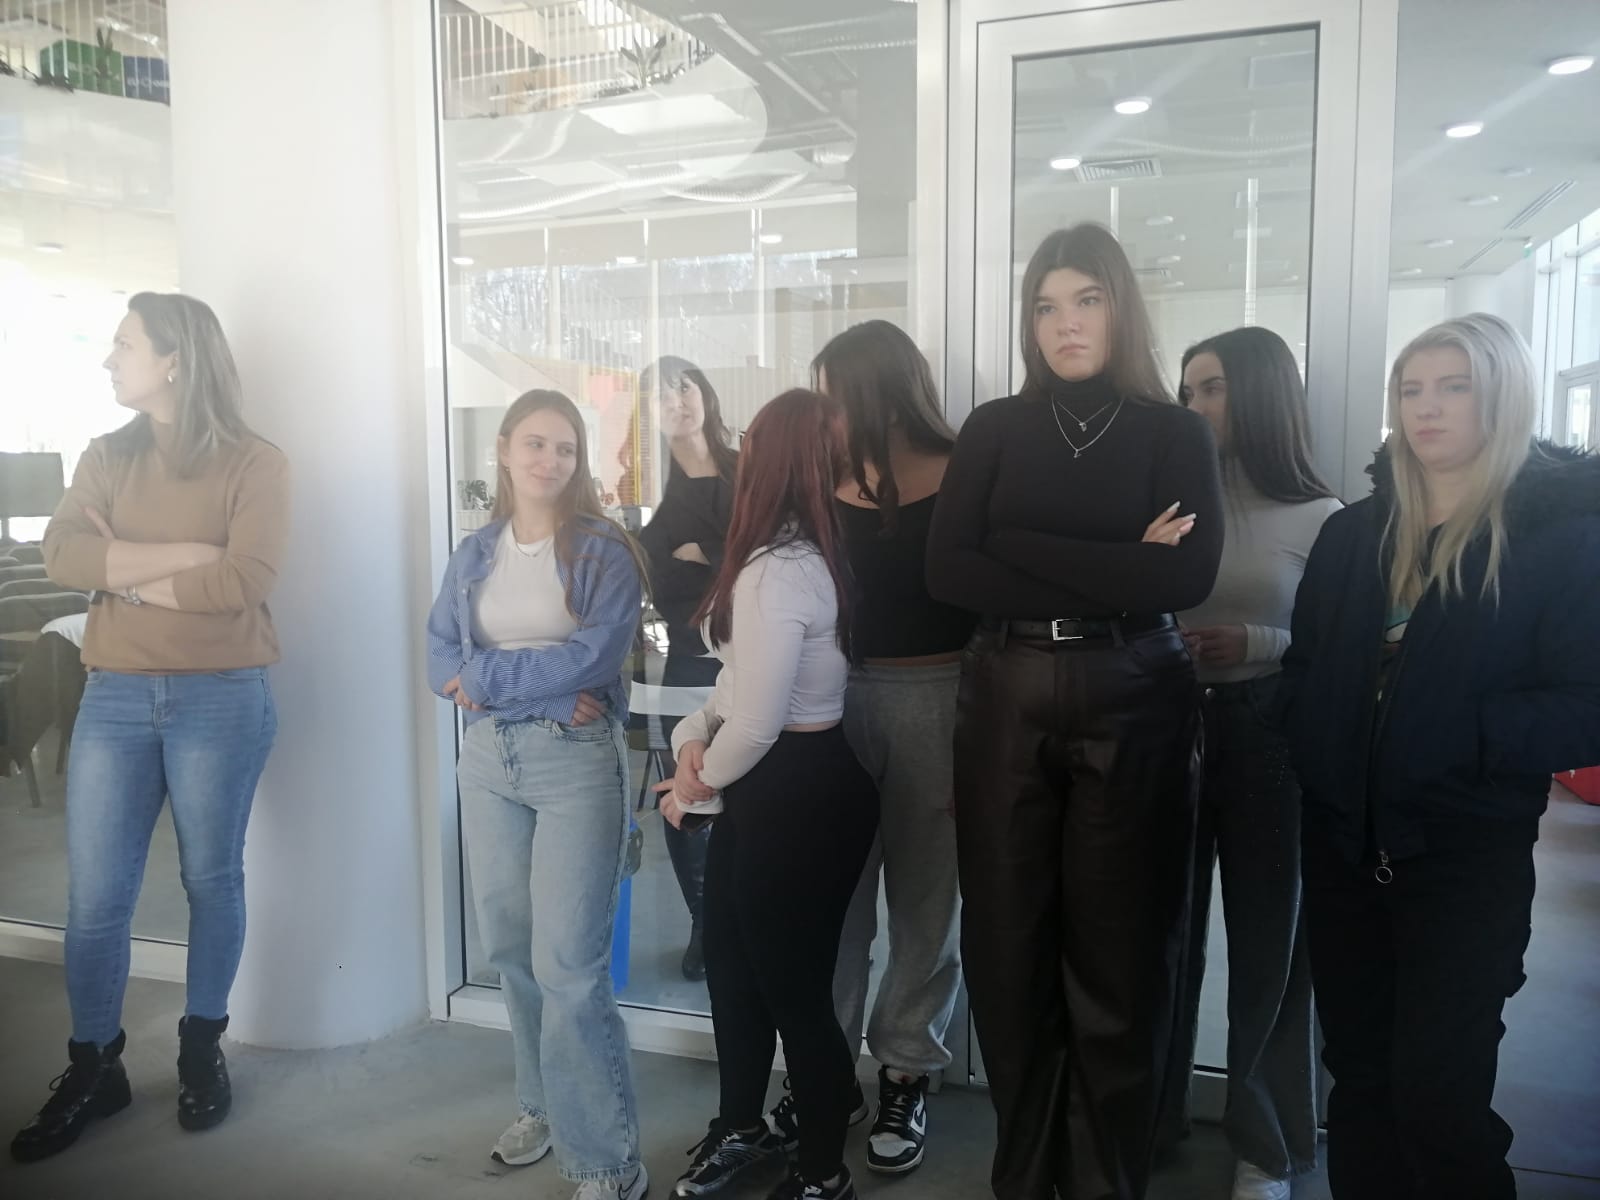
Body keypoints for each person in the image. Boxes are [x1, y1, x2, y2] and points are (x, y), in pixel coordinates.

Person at [926, 222, 1224, 1200]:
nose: (1065, 323)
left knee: (1121, 953)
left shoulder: (1173, 431)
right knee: (1007, 946)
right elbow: (948, 572)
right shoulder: (994, 428)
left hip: (1137, 689)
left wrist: (1015, 541)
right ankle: (1025, 1178)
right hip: (1005, 690)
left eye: (1086, 300)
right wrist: (1121, 562)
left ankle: (1105, 1183)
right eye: (1046, 305)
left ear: (1120, 306)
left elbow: (1184, 576)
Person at [1280, 313, 1600, 1200]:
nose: (1427, 408)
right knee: (1360, 1085)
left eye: (1454, 387)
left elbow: (1588, 704)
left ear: (1503, 397)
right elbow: (1307, 668)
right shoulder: (1355, 534)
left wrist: (1463, 734)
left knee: (1440, 1100)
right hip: (1343, 850)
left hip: (1464, 857)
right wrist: (1315, 740)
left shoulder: (1561, 539)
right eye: (1412, 389)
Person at [13, 292, 288, 1161]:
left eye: (123, 344)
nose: (109, 359)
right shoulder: (106, 455)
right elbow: (63, 555)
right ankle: (95, 1067)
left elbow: (243, 582)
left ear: (175, 359)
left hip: (222, 697)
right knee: (95, 900)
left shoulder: (255, 462)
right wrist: (185, 557)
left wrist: (122, 572)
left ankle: (202, 1049)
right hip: (116, 697)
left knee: (211, 880)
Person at [425, 389, 650, 1200]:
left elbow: (595, 658)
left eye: (565, 447)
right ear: (505, 449)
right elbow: (438, 660)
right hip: (489, 762)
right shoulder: (473, 553)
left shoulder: (604, 550)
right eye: (535, 443)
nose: (549, 460)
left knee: (571, 968)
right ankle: (542, 1105)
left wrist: (488, 680)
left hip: (575, 764)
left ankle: (609, 1163)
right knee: (511, 951)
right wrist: (541, 693)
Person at [762, 320, 973, 1176]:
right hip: (835, 697)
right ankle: (825, 1071)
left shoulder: (966, 470)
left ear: (880, 392)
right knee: (833, 902)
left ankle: (905, 1072)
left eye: (835, 396)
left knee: (927, 903)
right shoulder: (821, 479)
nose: (826, 414)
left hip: (941, 696)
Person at [660, 389, 879, 1200]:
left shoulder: (778, 570)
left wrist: (692, 788)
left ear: (769, 462)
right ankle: (742, 1128)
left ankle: (821, 1173)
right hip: (787, 788)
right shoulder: (786, 559)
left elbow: (757, 721)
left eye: (751, 443)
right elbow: (737, 689)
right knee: (732, 967)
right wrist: (691, 739)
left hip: (796, 794)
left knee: (792, 992)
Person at [1159, 327, 1342, 1200]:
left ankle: (1266, 1147)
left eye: (1212, 388)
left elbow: (1340, 649)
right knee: (1158, 938)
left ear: (1261, 394)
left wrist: (1256, 640)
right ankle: (1152, 1119)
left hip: (1270, 732)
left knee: (1273, 948)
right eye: (1187, 390)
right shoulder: (1169, 507)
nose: (1193, 406)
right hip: (1166, 727)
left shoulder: (1323, 517)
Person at [632, 356, 738, 981]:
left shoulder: (749, 471)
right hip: (683, 660)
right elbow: (666, 588)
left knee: (754, 792)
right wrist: (724, 564)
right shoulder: (649, 489)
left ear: (705, 393)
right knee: (686, 794)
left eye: (684, 385)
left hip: (759, 658)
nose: (676, 399)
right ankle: (705, 923)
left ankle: (751, 916)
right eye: (660, 394)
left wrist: (707, 553)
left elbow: (777, 552)